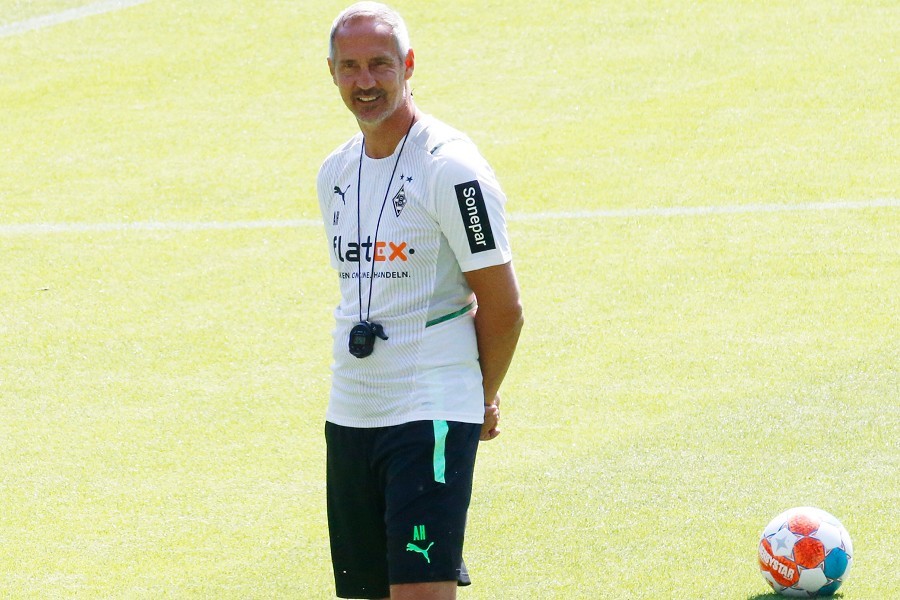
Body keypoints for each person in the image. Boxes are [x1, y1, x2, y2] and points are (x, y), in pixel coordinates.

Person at [316, 3, 524, 599]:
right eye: (349, 67)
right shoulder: (334, 173)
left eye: (379, 64)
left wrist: (477, 395)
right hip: (352, 409)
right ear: (330, 71)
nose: (365, 82)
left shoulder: (452, 169)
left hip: (430, 406)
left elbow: (503, 305)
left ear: (408, 66)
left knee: (421, 593)